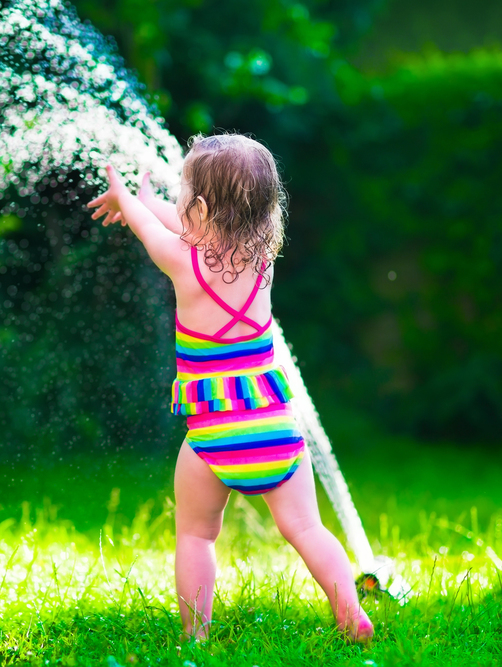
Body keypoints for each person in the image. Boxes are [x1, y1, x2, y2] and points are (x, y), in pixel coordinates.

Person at [86, 134, 374, 643]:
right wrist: (151, 201)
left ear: (197, 206)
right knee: (307, 530)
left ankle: (196, 637)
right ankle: (350, 613)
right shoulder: (262, 257)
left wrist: (125, 197)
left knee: (196, 535)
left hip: (213, 436)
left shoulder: (183, 261)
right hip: (275, 429)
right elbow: (185, 227)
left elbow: (150, 230)